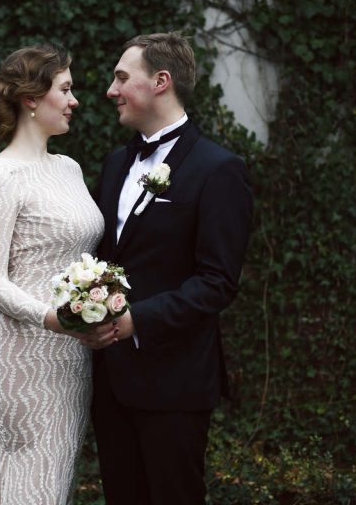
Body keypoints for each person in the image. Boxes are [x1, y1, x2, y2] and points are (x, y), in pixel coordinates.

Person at [87, 32, 254, 504]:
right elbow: (104, 258)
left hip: (175, 383)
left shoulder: (219, 169)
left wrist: (134, 320)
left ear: (161, 81)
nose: (110, 90)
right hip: (111, 383)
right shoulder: (116, 162)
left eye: (122, 77)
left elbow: (217, 282)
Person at [0, 44, 106, 504]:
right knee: (28, 479)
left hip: (70, 354)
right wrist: (51, 318)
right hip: (20, 350)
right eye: (65, 89)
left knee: (54, 475)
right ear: (31, 99)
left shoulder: (69, 169)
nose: (74, 100)